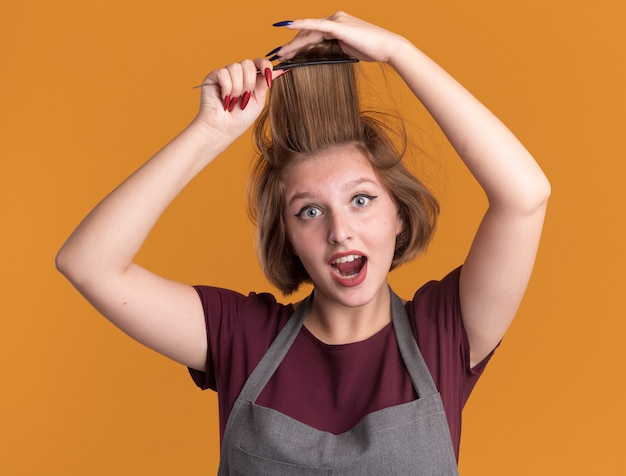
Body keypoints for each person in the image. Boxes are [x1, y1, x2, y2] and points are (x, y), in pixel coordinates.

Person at [56, 11, 550, 474]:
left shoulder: (445, 332)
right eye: (309, 212)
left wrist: (398, 52)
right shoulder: (241, 338)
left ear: (399, 215)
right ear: (289, 237)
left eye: (360, 200)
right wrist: (210, 131)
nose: (340, 230)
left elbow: (526, 196)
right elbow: (88, 263)